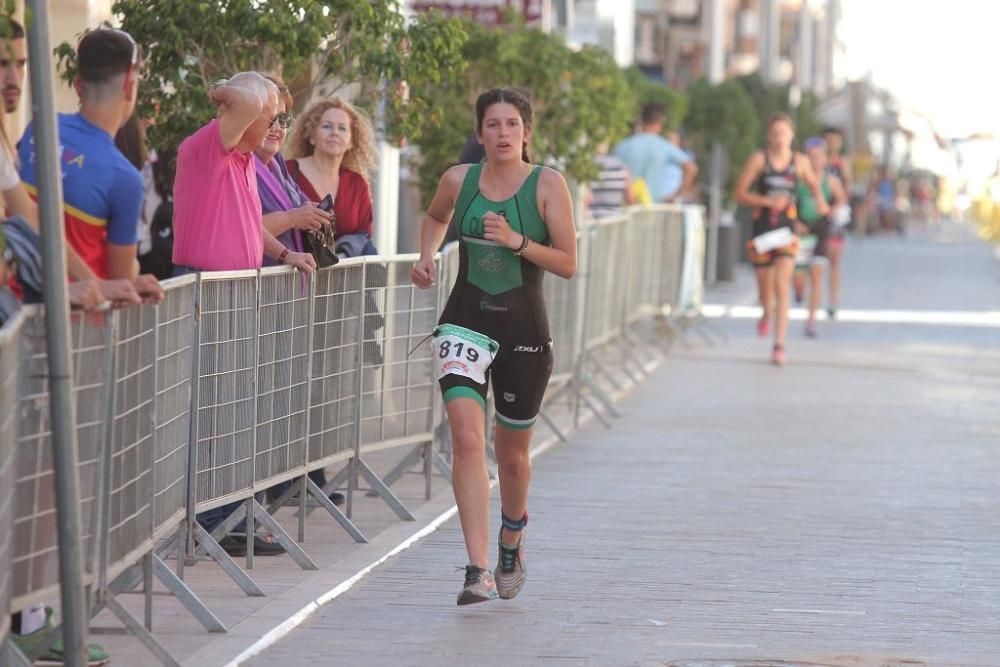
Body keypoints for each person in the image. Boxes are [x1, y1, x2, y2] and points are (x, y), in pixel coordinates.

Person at [410, 87, 576, 604]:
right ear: (479, 132)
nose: (502, 133)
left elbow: (569, 263)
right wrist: (427, 255)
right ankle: (477, 569)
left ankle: (512, 536)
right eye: (492, 124)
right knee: (464, 438)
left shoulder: (548, 184)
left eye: (511, 124)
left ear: (526, 132)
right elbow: (436, 217)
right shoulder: (459, 181)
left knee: (513, 459)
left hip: (523, 331)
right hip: (465, 322)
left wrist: (517, 242)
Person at [172, 70, 316, 556]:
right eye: (270, 114)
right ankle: (214, 520)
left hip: (232, 292)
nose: (275, 123)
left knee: (232, 409)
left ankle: (228, 514)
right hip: (206, 290)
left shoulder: (242, 162)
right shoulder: (209, 146)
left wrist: (284, 254)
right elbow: (241, 101)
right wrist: (235, 90)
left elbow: (246, 226)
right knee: (212, 412)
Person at [16, 28, 161, 301]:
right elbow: (119, 276)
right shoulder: (124, 177)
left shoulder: (38, 128)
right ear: (130, 84)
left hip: (16, 312)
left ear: (78, 83)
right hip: (78, 331)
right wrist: (135, 271)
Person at [254, 75, 345, 506]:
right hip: (254, 300)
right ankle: (243, 505)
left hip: (289, 297)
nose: (276, 127)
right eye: (267, 117)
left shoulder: (273, 166)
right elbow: (246, 227)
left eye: (282, 118)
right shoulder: (245, 165)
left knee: (286, 398)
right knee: (256, 405)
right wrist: (295, 218)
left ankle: (286, 482)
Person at [733, 113, 827, 366]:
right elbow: (739, 192)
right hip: (763, 230)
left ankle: (779, 345)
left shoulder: (800, 161)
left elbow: (814, 184)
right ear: (769, 136)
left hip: (787, 230)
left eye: (784, 134)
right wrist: (766, 201)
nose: (779, 139)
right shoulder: (759, 160)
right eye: (775, 134)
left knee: (782, 285)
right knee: (766, 290)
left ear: (791, 135)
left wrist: (819, 200)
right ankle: (766, 312)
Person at [285, 95, 377, 255]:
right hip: (293, 273)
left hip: (345, 275)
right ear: (311, 135)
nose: (335, 133)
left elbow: (364, 235)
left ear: (351, 142)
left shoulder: (358, 183)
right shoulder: (287, 171)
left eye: (342, 128)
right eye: (327, 126)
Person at [793, 137, 847, 337]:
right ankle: (798, 291)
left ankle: (811, 321)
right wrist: (795, 222)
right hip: (801, 231)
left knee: (816, 275)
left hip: (820, 231)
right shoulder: (799, 180)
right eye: (811, 157)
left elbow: (841, 199)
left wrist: (831, 210)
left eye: (819, 157)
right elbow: (788, 200)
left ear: (825, 159)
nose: (815, 162)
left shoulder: (830, 181)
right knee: (798, 277)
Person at [613, 102, 697, 203]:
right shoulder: (663, 146)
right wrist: (675, 196)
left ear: (641, 120)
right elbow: (691, 168)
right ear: (660, 122)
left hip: (626, 209)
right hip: (654, 209)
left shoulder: (622, 146)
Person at [821, 127, 851, 319]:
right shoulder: (815, 161)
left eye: (835, 140)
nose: (832, 143)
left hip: (835, 216)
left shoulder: (843, 163)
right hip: (815, 212)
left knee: (834, 259)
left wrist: (838, 207)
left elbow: (847, 187)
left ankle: (833, 299)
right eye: (828, 139)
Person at [585, 147, 634, 221]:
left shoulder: (586, 167)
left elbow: (586, 200)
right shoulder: (620, 166)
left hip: (592, 223)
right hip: (615, 222)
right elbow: (630, 199)